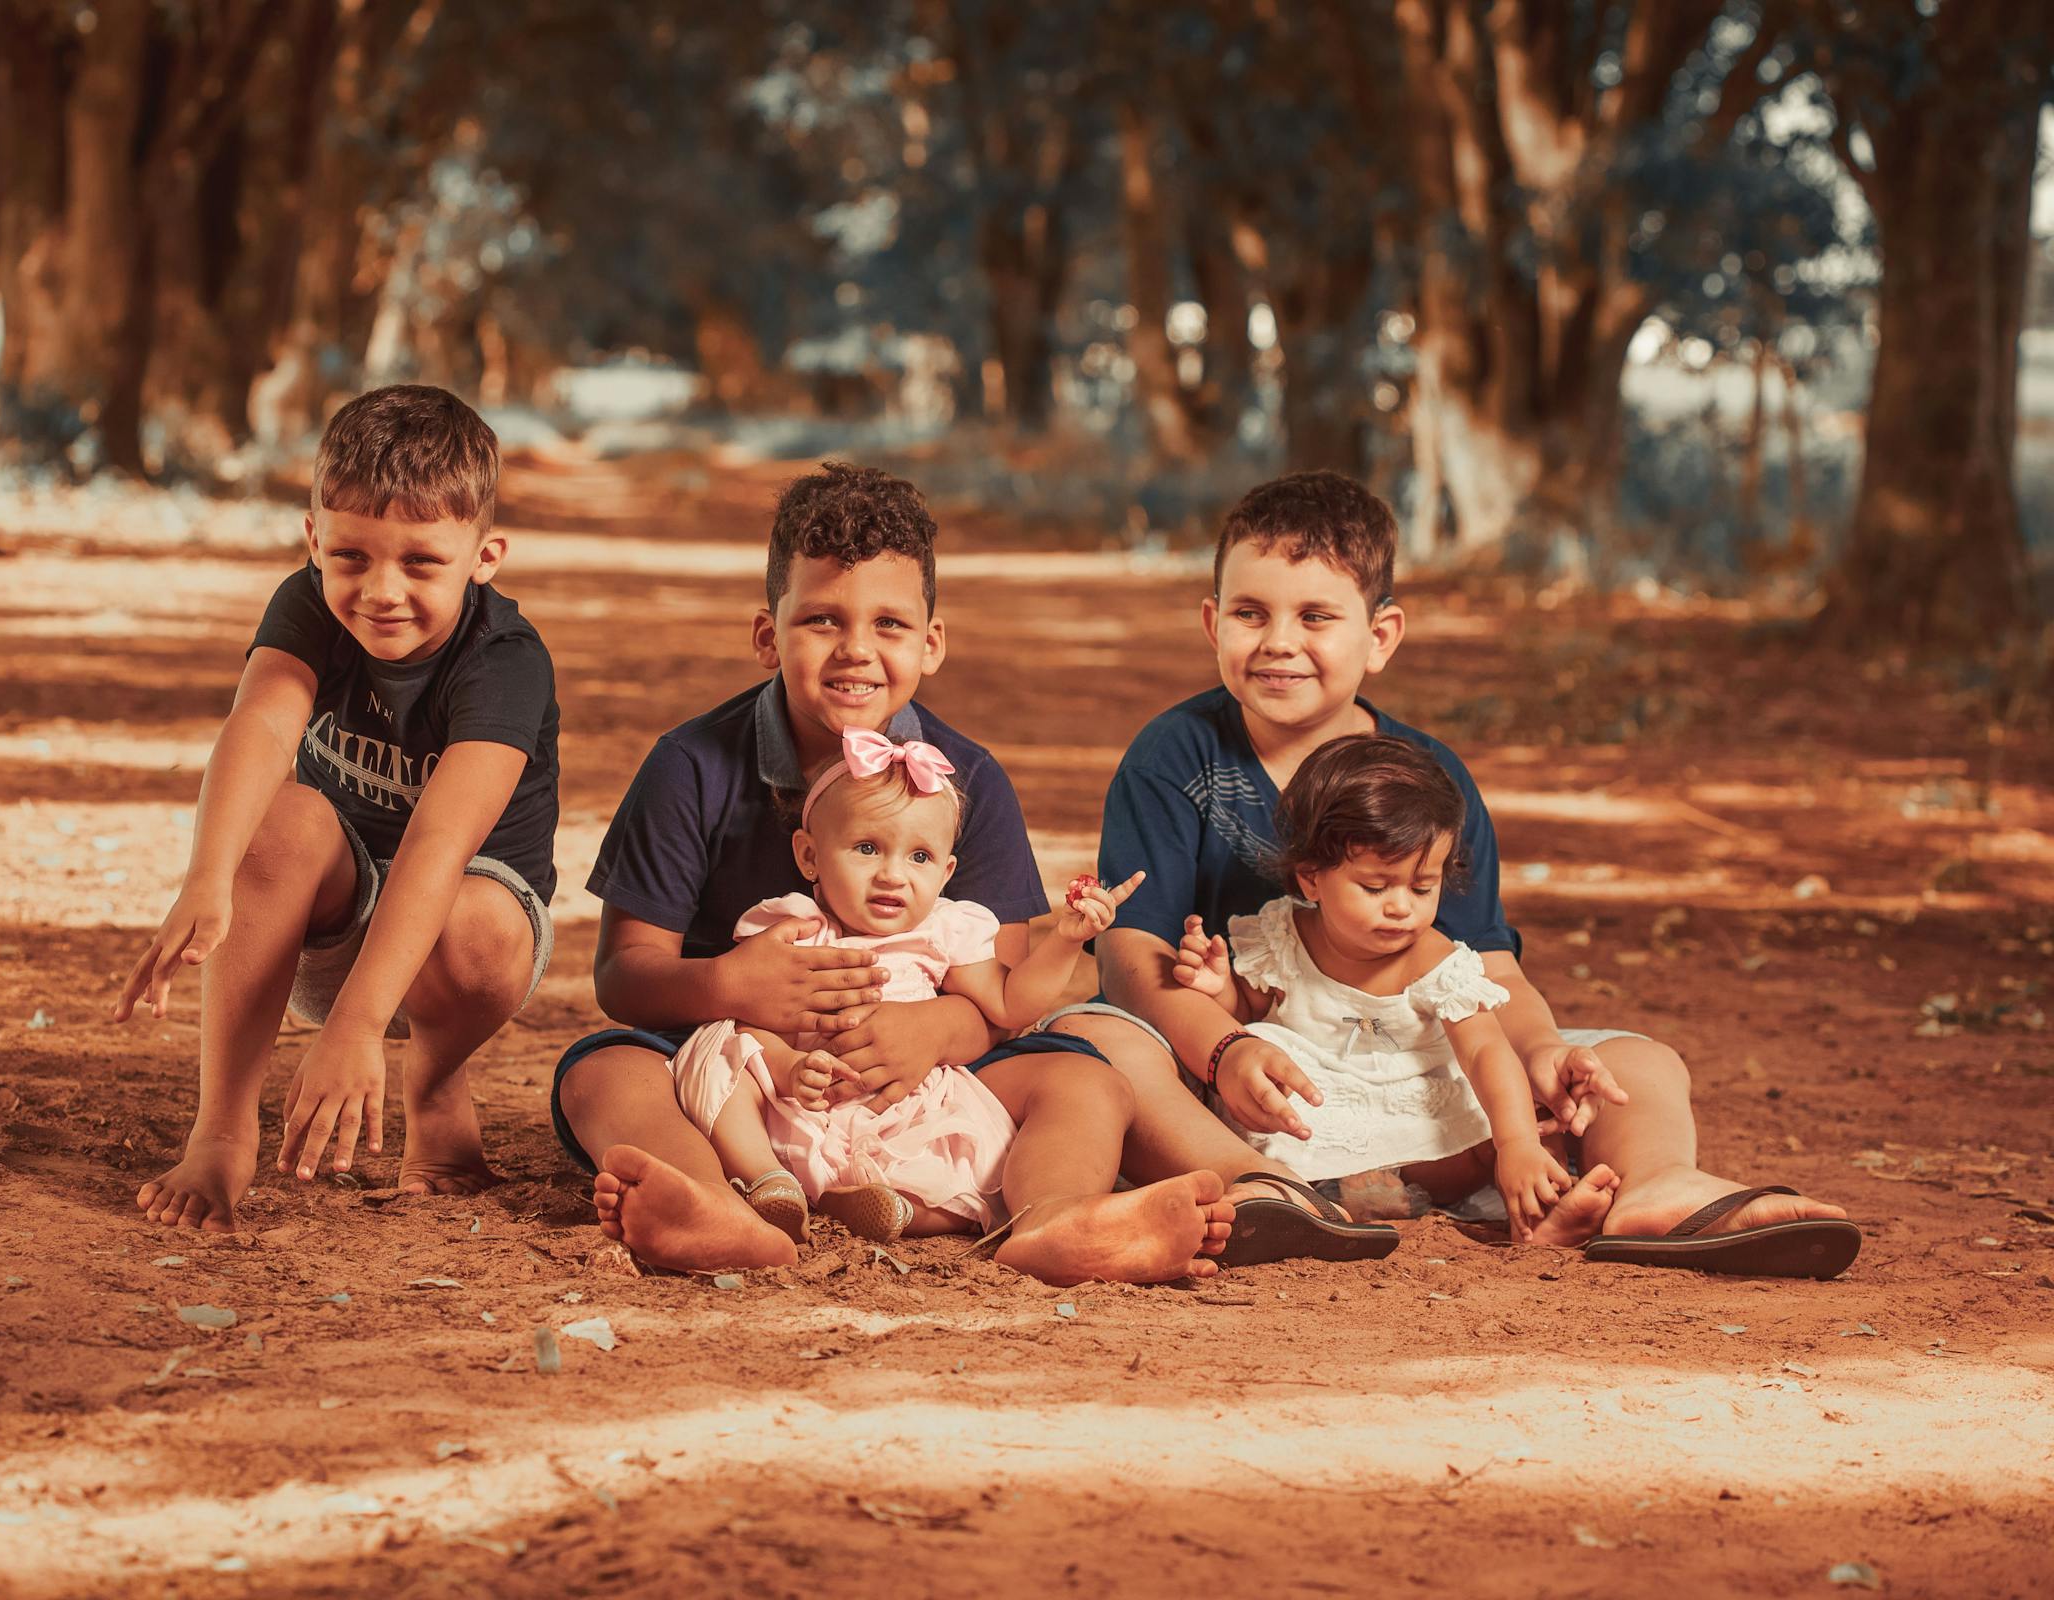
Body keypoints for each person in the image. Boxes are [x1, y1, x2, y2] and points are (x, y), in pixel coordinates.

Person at [1058, 469, 1860, 1278]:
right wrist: (1223, 1047)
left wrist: (1543, 1049)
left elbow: (1487, 964)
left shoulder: (1427, 777)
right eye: (1250, 613)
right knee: (1095, 1040)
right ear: (1212, 622)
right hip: (1247, 1071)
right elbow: (1131, 962)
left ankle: (1655, 1187)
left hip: (1414, 1061)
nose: (1278, 642)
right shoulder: (1176, 758)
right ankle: (1263, 1189)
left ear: (1381, 635)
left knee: (1643, 1062)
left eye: (1316, 617)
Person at [552, 461, 1233, 1286]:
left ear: (931, 642)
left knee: (1086, 1081)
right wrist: (731, 989)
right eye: (821, 621)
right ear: (768, 635)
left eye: (890, 625)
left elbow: (1005, 994)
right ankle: (719, 1209)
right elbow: (624, 974)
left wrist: (935, 1031)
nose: (856, 652)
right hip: (744, 1082)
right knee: (600, 1072)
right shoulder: (690, 767)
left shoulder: (968, 781)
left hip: (920, 1087)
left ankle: (1052, 1219)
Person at [112, 385, 559, 1232]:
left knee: (477, 919)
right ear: (314, 538)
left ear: (485, 555)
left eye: (421, 562)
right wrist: (207, 880)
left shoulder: (506, 661)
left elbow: (437, 843)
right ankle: (220, 1134)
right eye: (351, 556)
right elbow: (261, 725)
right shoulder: (307, 603)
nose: (380, 591)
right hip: (332, 925)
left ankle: (433, 1077)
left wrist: (356, 1028)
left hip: (467, 935)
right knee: (278, 820)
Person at [673, 727, 1143, 1244]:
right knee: (718, 1048)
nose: (893, 876)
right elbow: (754, 1025)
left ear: (946, 873)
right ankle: (770, 1180)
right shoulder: (794, 928)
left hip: (905, 1109)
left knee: (971, 1173)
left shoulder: (943, 931)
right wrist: (790, 1069)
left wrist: (1066, 941)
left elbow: (1012, 1005)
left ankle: (892, 1210)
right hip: (799, 1107)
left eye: (918, 858)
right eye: (868, 848)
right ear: (809, 856)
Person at [1170, 733, 1624, 1242]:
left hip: (1417, 1117)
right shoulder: (1280, 937)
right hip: (1322, 1108)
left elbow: (1484, 1052)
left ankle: (1535, 1212)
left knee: (1515, 1122)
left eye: (1422, 887)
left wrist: (1515, 1142)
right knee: (1259, 1083)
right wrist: (1218, 989)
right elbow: (1249, 1008)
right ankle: (1319, 1194)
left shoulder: (1436, 958)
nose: (1401, 906)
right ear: (1312, 879)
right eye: (1375, 887)